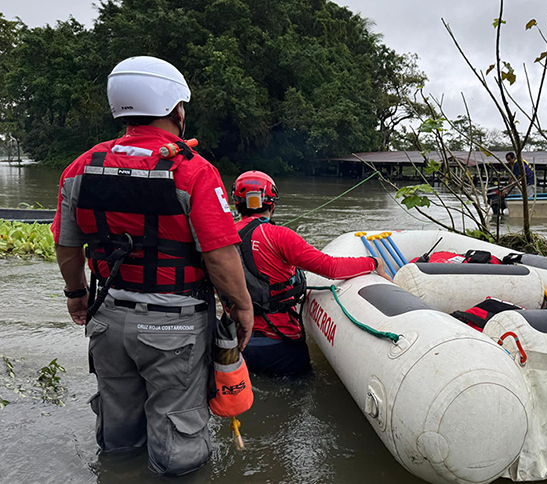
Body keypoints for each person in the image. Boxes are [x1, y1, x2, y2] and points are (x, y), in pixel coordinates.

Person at [52, 56, 254, 476]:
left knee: (118, 433)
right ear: (176, 108)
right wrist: (242, 307)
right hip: (174, 327)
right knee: (179, 444)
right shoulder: (193, 171)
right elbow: (219, 255)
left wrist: (77, 296)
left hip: (106, 322)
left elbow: (67, 246)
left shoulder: (81, 167)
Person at [229, 170, 392, 375]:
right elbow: (329, 267)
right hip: (281, 344)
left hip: (236, 344)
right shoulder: (279, 236)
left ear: (236, 204)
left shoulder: (221, 240)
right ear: (272, 204)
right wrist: (372, 262)